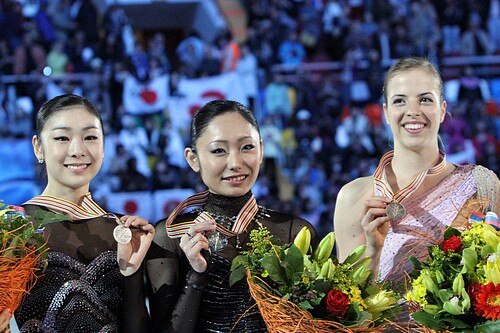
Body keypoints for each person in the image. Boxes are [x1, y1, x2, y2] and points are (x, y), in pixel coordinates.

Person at [146, 99, 317, 332]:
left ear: (262, 149)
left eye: (247, 147)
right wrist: (196, 275)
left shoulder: (295, 232)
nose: (236, 163)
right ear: (192, 159)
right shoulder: (170, 235)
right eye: (219, 150)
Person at [333, 57, 499, 284]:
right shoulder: (352, 197)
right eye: (400, 101)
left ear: (442, 110)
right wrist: (373, 252)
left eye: (425, 100)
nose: (412, 111)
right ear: (386, 113)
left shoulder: (482, 186)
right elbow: (344, 314)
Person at [12, 94, 155, 332]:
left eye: (90, 137)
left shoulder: (124, 231)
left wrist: (131, 275)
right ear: (39, 147)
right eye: (62, 138)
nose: (78, 150)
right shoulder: (13, 228)